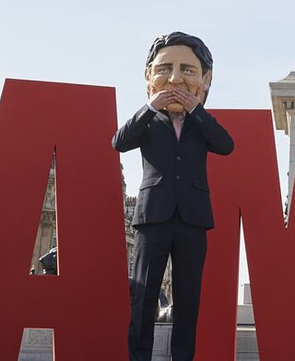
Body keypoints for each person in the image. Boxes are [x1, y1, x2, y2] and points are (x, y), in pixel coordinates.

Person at [114, 32, 234, 361]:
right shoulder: (149, 120)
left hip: (193, 219)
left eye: (187, 70)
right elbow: (119, 141)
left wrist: (196, 108)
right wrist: (152, 105)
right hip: (152, 217)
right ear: (149, 76)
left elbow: (226, 145)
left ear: (205, 80)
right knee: (143, 298)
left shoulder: (200, 122)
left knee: (187, 300)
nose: (175, 78)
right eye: (165, 69)